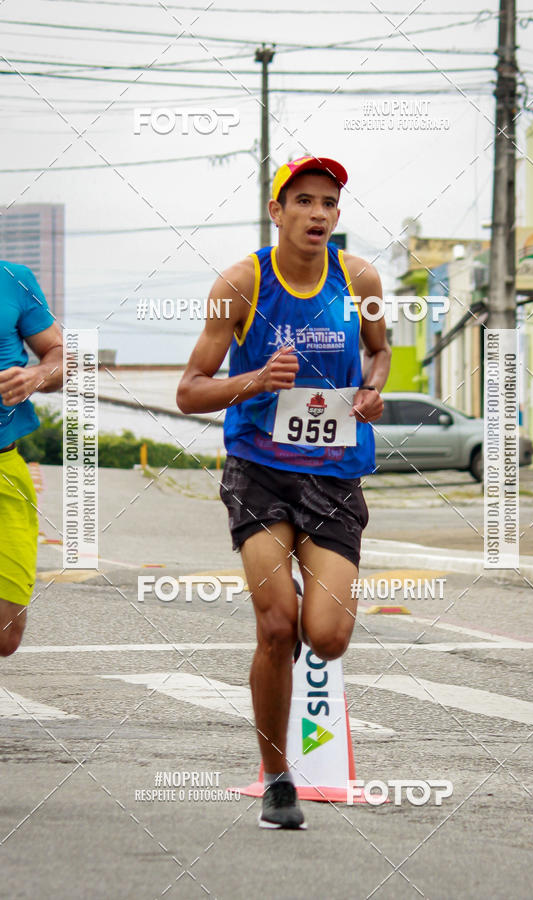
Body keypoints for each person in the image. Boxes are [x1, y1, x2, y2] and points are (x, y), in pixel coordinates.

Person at [177, 156, 391, 829]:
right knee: (276, 625)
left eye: (329, 203)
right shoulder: (241, 283)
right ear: (278, 212)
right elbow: (189, 390)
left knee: (325, 638)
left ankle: (313, 622)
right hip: (258, 470)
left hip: (332, 474)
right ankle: (277, 778)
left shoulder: (361, 280)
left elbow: (380, 349)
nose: (319, 214)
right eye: (304, 201)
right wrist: (257, 380)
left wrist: (373, 387)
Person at [0, 260, 63, 656]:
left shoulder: (12, 279)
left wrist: (36, 376)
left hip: (1, 465)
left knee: (4, 636)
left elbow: (58, 355)